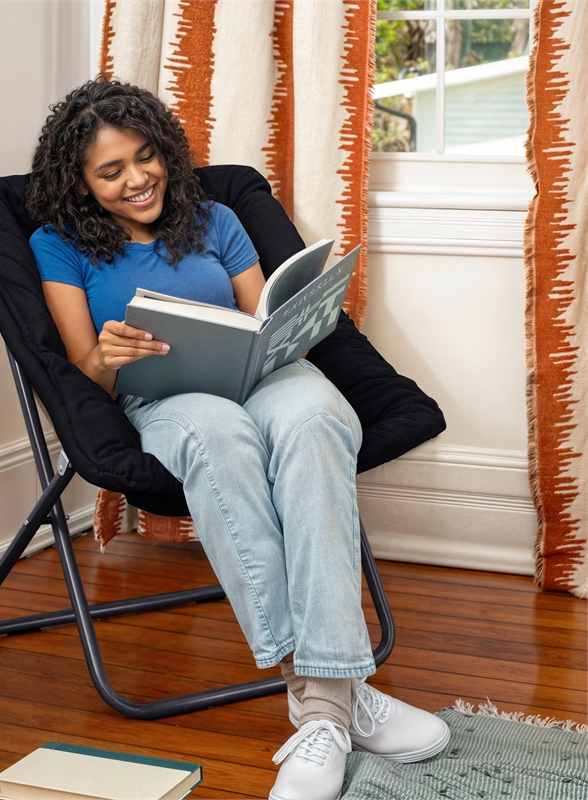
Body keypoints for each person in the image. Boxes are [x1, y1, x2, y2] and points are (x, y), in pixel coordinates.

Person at [26, 76, 449, 800]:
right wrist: (108, 356)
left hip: (264, 379)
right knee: (219, 436)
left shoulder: (216, 217)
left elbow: (267, 325)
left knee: (317, 418)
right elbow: (81, 376)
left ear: (164, 149)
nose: (137, 179)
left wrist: (297, 319)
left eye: (145, 156)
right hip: (167, 395)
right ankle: (334, 700)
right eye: (110, 170)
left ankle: (325, 708)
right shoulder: (57, 245)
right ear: (82, 182)